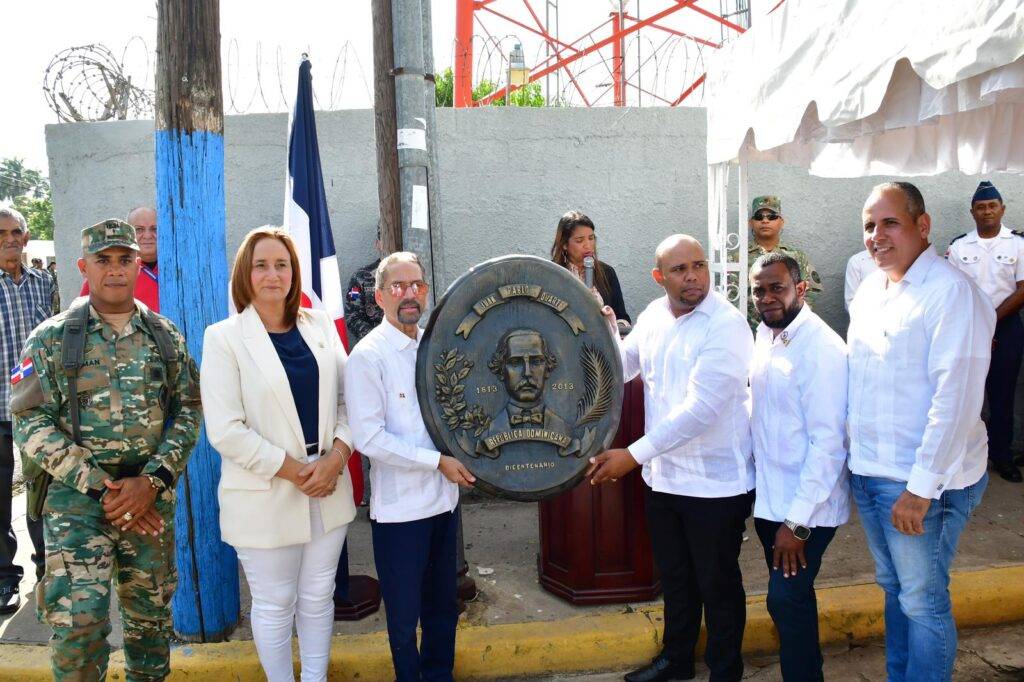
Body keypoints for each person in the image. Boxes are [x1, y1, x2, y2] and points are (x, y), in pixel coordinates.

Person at [11, 219, 201, 680]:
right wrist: (104, 488)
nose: (115, 270)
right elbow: (28, 420)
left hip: (149, 498)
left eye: (124, 259)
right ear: (84, 266)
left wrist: (153, 481)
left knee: (150, 623)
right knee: (80, 628)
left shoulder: (165, 336)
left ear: (138, 264)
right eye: (103, 260)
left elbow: (190, 411)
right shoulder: (52, 338)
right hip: (76, 503)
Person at [588, 235, 755, 682]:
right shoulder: (653, 315)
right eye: (680, 270)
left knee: (717, 585)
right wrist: (596, 326)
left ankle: (725, 671)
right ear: (659, 277)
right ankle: (676, 662)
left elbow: (702, 410)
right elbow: (622, 366)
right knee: (677, 581)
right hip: (664, 480)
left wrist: (633, 455)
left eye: (698, 265)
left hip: (715, 485)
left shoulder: (727, 324)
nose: (693, 276)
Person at [848, 182, 993, 682]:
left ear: (922, 226)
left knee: (924, 602)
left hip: (921, 484)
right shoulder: (871, 288)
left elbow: (956, 400)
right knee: (897, 591)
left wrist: (920, 488)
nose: (877, 235)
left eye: (890, 222)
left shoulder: (951, 292)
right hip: (871, 473)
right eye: (870, 225)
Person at [201, 227, 355, 681]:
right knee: (273, 604)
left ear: (294, 272)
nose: (273, 274)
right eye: (261, 265)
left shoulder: (320, 325)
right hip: (266, 490)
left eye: (282, 264)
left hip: (328, 483)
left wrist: (337, 457)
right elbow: (226, 430)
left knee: (317, 597)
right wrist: (297, 471)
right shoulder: (223, 338)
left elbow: (351, 402)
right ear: (245, 275)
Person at [344, 252, 475, 682]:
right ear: (379, 297)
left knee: (443, 610)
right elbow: (369, 439)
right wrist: (437, 462)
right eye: (397, 286)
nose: (409, 294)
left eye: (416, 285)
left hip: (444, 504)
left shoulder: (437, 347)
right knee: (404, 620)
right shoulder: (368, 356)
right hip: (401, 515)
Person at [749, 252, 850, 681]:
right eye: (759, 290)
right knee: (792, 599)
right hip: (770, 501)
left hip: (806, 509)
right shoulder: (766, 332)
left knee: (786, 599)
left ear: (801, 289)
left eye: (777, 287)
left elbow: (829, 444)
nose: (767, 297)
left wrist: (796, 522)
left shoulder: (823, 348)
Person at [945, 181, 1024, 482]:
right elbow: (952, 289)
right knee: (966, 394)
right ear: (972, 212)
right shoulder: (961, 246)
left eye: (992, 205)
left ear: (1002, 209)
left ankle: (1002, 457)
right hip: (967, 327)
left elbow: (1022, 289)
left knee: (1002, 394)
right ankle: (965, 459)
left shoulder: (1018, 244)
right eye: (981, 207)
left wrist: (990, 320)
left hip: (1006, 326)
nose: (987, 211)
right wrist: (977, 323)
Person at [0, 207, 53, 614]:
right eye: (2, 234)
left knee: (40, 497)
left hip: (38, 412)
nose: (10, 240)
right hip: (0, 412)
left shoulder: (43, 283)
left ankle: (48, 571)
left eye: (16, 232)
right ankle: (5, 580)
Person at [550, 210, 632, 335]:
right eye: (579, 240)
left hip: (601, 346)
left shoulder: (607, 272)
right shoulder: (553, 274)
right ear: (565, 244)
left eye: (591, 238)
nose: (588, 245)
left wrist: (615, 324)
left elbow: (622, 317)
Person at [746, 196, 821, 331]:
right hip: (746, 331)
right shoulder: (737, 258)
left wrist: (793, 320)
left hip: (789, 330)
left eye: (772, 216)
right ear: (751, 223)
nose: (765, 220)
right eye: (759, 216)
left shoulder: (797, 256)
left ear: (781, 222)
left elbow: (812, 291)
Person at [81, 206, 159, 311]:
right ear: (129, 234)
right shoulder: (102, 276)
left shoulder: (182, 268)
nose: (148, 235)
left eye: (155, 229)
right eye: (139, 229)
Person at [345, 222, 386, 347]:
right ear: (377, 244)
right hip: (375, 349)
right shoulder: (361, 277)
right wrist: (380, 342)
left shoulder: (412, 276)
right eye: (384, 239)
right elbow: (352, 317)